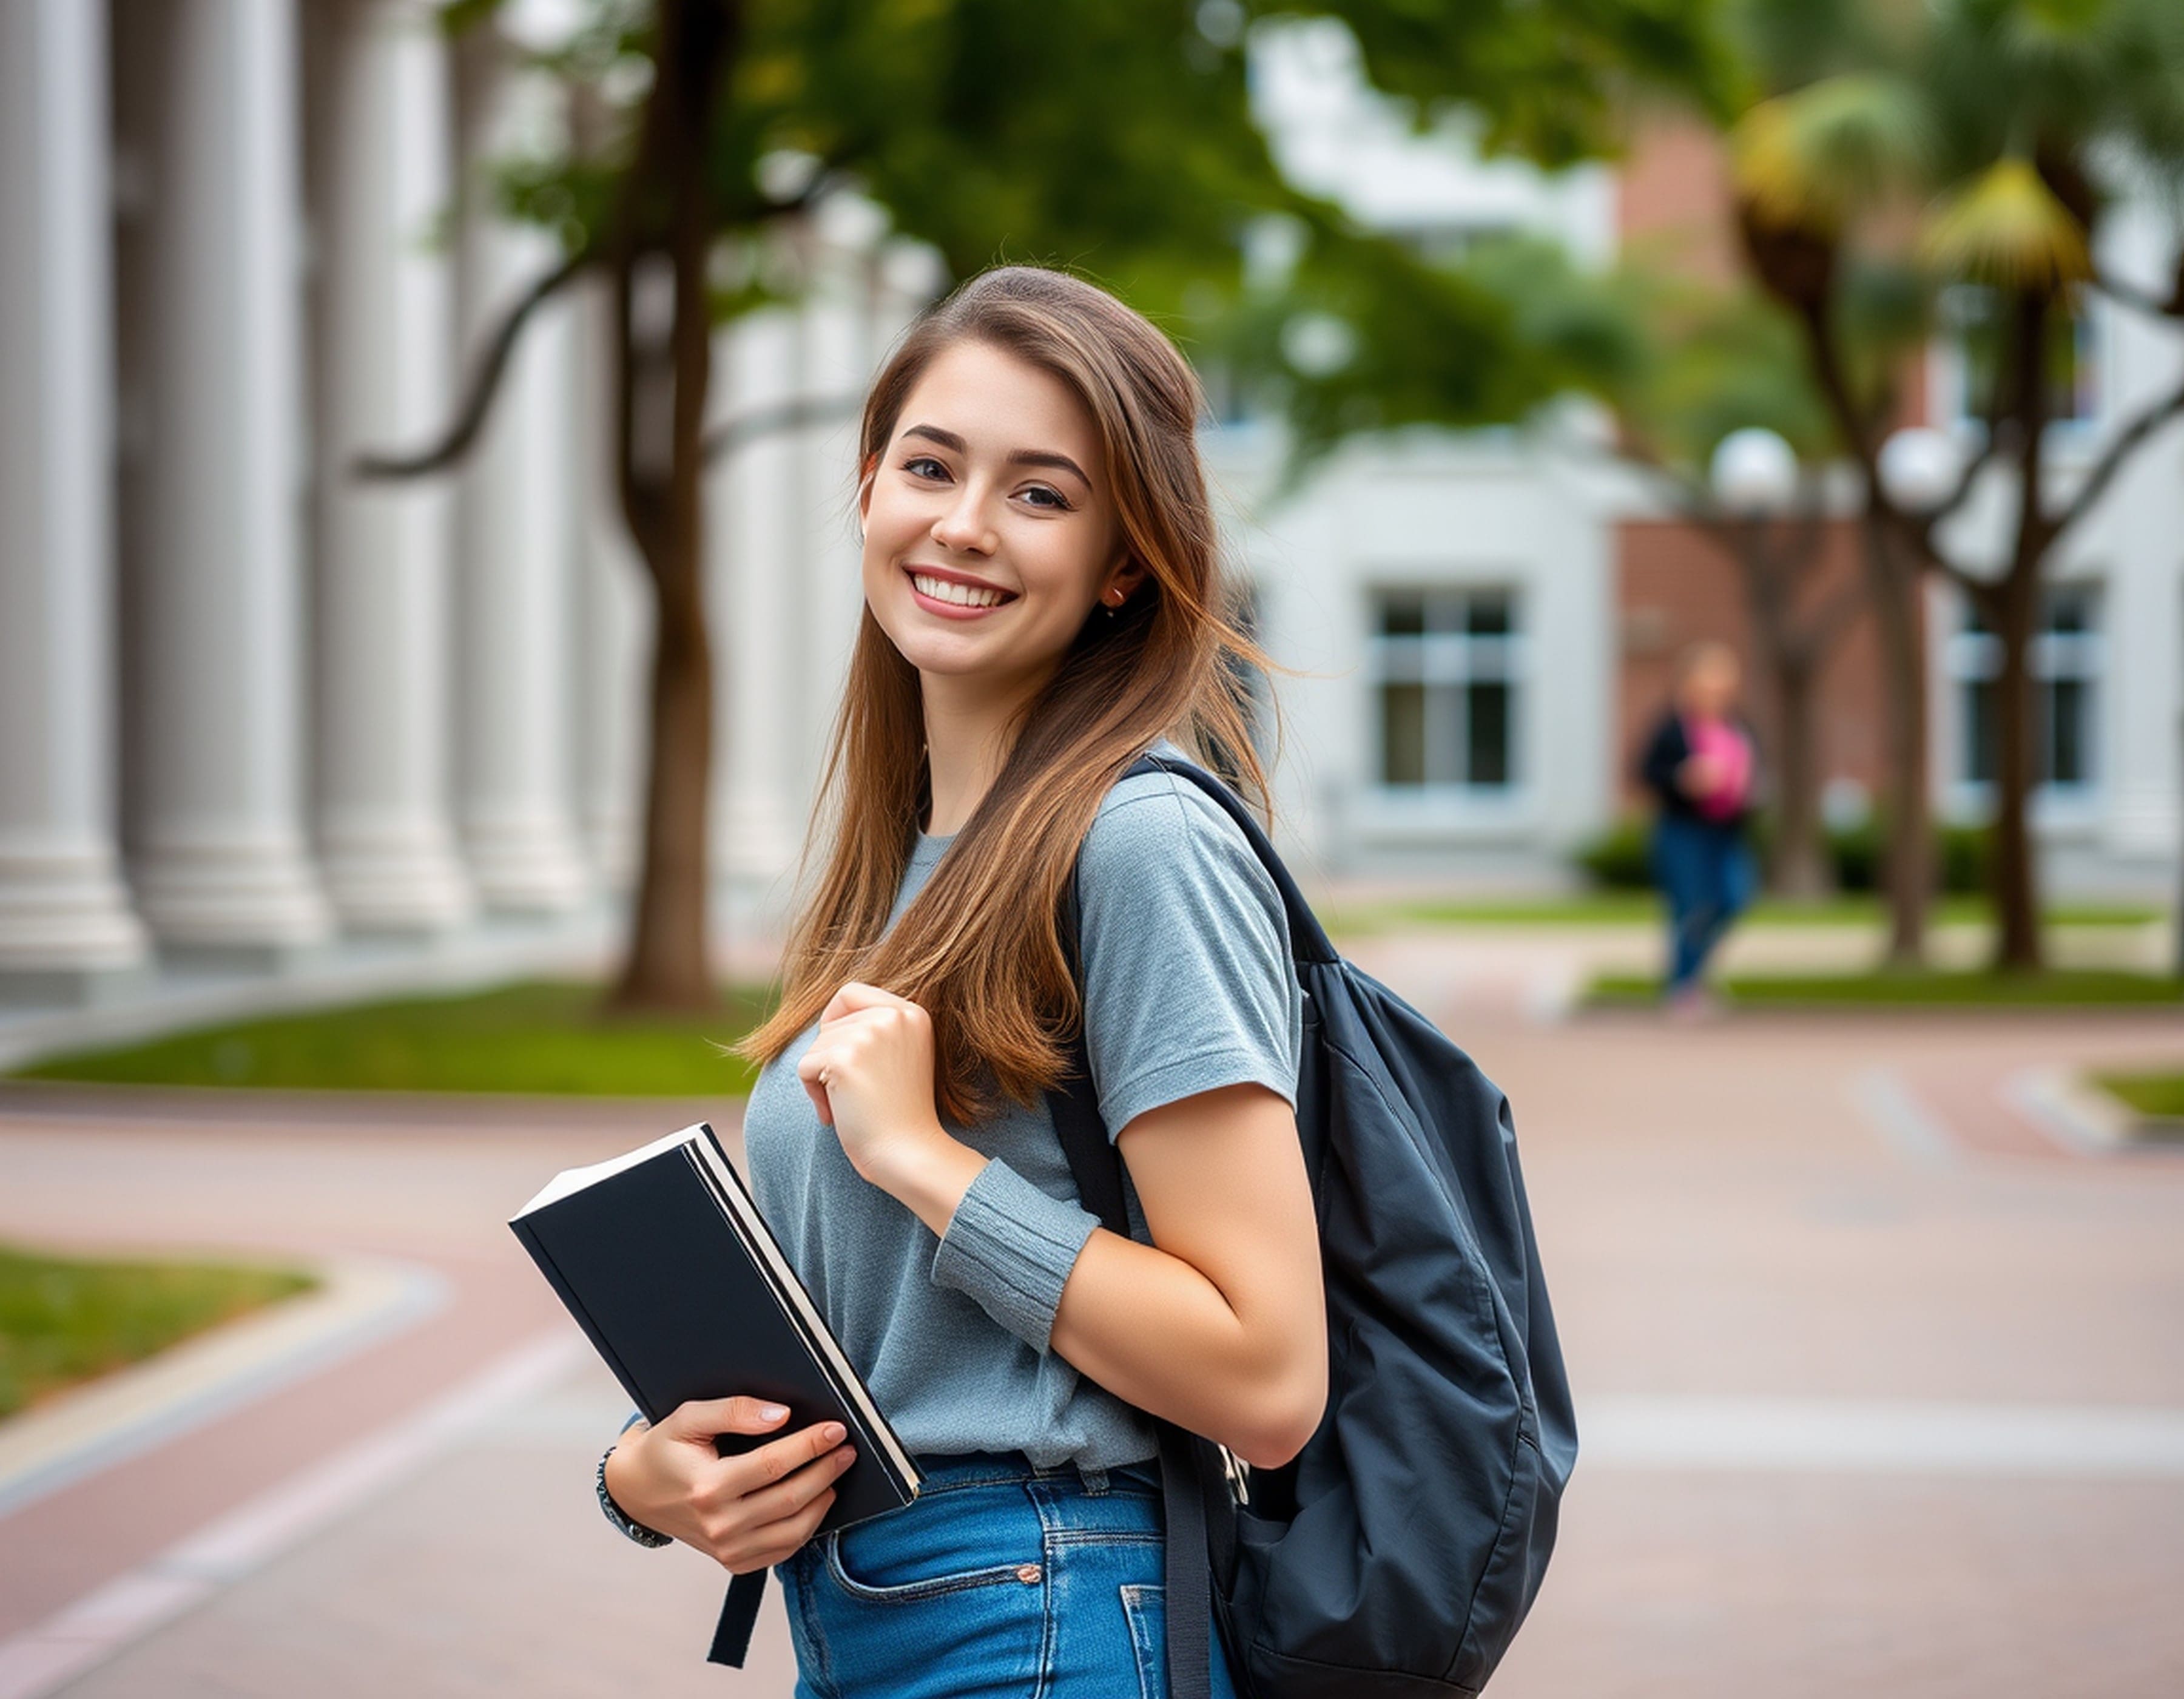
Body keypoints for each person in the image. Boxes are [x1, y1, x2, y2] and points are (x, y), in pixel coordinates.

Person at [598, 265, 1324, 1697]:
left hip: (1038, 1620)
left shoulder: (1139, 843)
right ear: (869, 488)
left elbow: (1267, 1375)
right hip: (873, 1617)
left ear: (1125, 561)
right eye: (930, 465)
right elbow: (877, 1342)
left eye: (1041, 493)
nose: (963, 525)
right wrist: (646, 1475)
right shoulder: (911, 860)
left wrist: (929, 1167)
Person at [1637, 641, 1759, 1016]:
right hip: (1684, 829)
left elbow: (1754, 767)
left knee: (1733, 897)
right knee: (1689, 906)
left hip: (1727, 829)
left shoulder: (1737, 726)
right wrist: (1682, 778)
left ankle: (1695, 973)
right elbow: (1647, 772)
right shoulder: (1672, 729)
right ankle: (1683, 986)